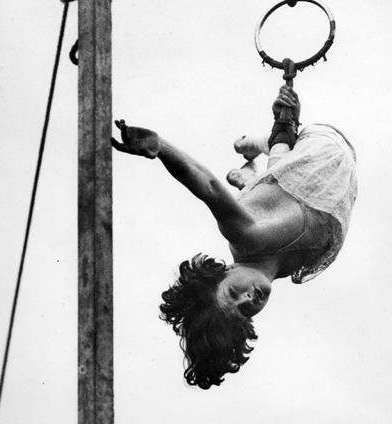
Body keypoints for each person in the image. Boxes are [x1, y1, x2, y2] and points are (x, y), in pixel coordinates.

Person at [111, 86, 357, 389]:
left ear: (224, 272)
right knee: (272, 179)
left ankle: (248, 151)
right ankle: (247, 177)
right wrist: (284, 126)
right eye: (244, 311)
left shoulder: (245, 236)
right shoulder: (287, 269)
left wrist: (159, 146)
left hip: (317, 143)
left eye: (232, 294)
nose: (249, 299)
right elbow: (282, 172)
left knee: (268, 179)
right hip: (303, 173)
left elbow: (207, 185)